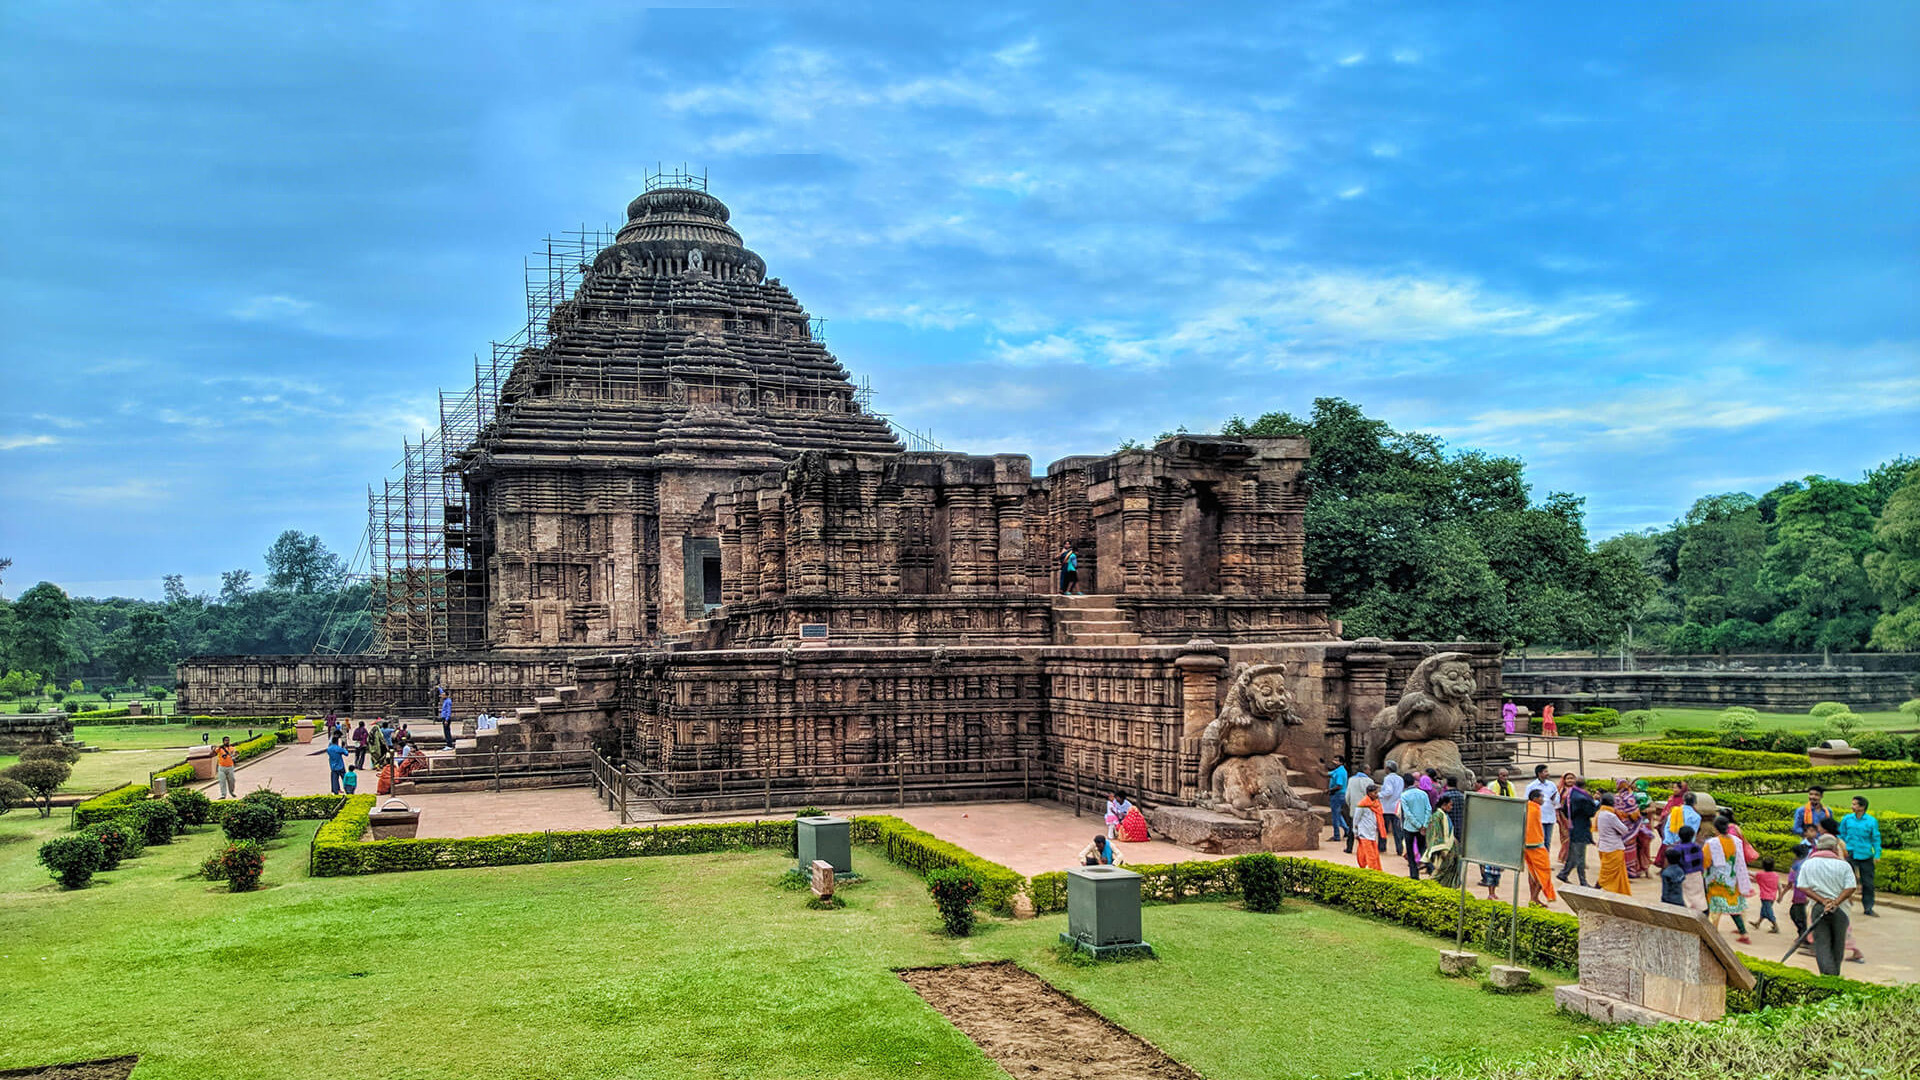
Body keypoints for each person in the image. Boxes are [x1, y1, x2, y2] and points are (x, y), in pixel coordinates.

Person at [1796, 835, 1860, 976]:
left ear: (1818, 847)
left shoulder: (1809, 864)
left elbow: (1802, 886)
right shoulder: (1844, 865)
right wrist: (1835, 902)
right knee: (1838, 946)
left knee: (1822, 945)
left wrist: (1823, 900)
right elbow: (1851, 887)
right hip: (1841, 909)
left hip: (1818, 907)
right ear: (1833, 848)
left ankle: (1827, 977)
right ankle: (1833, 977)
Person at [1701, 818, 1753, 944]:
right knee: (1733, 908)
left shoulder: (1711, 843)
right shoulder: (1736, 841)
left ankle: (1711, 935)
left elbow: (1705, 860)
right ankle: (1743, 932)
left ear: (1715, 828)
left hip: (1716, 880)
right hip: (1731, 880)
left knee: (1715, 908)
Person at [1836, 795, 1881, 917]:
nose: (1852, 806)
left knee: (1868, 883)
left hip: (1865, 854)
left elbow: (1876, 839)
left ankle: (1868, 907)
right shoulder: (1847, 819)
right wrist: (1841, 845)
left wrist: (1877, 854)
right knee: (1844, 881)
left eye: (1855, 804)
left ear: (1862, 807)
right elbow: (1840, 834)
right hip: (1849, 853)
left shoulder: (1871, 821)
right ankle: (1841, 904)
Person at [1557, 776, 1597, 887]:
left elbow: (1564, 810)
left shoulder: (1570, 794)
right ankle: (1583, 880)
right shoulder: (1584, 797)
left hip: (1573, 826)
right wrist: (1597, 802)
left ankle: (1564, 874)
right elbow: (1591, 812)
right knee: (1580, 855)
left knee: (1573, 853)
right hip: (1581, 828)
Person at [1522, 788, 1558, 906]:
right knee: (1543, 873)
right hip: (1535, 845)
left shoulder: (1527, 807)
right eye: (1541, 797)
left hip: (1526, 845)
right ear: (1535, 798)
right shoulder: (1534, 809)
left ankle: (1534, 898)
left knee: (1532, 873)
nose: (1542, 799)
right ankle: (1534, 898)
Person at [1593, 794, 1633, 896]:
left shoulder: (1599, 813)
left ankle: (1605, 887)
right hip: (1614, 848)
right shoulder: (1611, 816)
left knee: (1607, 870)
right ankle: (1601, 887)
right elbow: (1624, 830)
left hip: (1603, 847)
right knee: (1610, 874)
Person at [1665, 824, 1706, 911]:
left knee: (1686, 898)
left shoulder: (1677, 849)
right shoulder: (1697, 847)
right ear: (1692, 836)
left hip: (1684, 874)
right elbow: (1702, 860)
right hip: (1697, 874)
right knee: (1699, 897)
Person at [1424, 791, 1461, 887]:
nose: (1451, 807)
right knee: (1440, 871)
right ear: (1444, 805)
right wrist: (1441, 850)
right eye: (1450, 805)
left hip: (1451, 848)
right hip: (1444, 850)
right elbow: (1435, 835)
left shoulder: (1445, 816)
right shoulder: (1437, 817)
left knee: (1449, 870)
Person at [1398, 772, 1431, 879]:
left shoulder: (1404, 796)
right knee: (1423, 849)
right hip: (1422, 827)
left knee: (1411, 852)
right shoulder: (1423, 794)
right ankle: (1431, 870)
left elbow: (1408, 814)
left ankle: (1414, 875)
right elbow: (1428, 810)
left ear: (1405, 784)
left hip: (1409, 828)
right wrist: (1424, 825)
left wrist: (1417, 825)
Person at [1525, 765, 1559, 853]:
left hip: (1550, 816)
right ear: (1539, 773)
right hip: (1538, 817)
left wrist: (1554, 799)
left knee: (1548, 841)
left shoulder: (1551, 785)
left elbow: (1557, 801)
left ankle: (1546, 861)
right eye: (1545, 772)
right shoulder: (1531, 786)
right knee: (1540, 841)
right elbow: (1527, 802)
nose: (1548, 773)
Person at [1353, 783, 1385, 871]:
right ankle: (1373, 870)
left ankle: (1370, 868)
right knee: (1370, 855)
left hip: (1372, 832)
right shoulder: (1362, 805)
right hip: (1364, 832)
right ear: (1369, 793)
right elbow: (1356, 819)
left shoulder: (1376, 804)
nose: (1376, 794)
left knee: (1373, 853)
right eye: (1375, 793)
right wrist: (1355, 831)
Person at [1344, 766, 1373, 855]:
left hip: (1355, 808)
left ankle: (1349, 848)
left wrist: (1350, 805)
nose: (1370, 771)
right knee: (1365, 830)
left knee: (1352, 828)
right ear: (1364, 770)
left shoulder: (1351, 780)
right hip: (1366, 809)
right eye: (1368, 769)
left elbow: (1347, 796)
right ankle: (1365, 849)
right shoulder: (1369, 781)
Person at [1787, 840, 1814, 936]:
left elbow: (1790, 882)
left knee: (1797, 914)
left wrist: (1782, 894)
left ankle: (1803, 935)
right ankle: (1803, 934)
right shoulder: (1807, 863)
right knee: (1798, 913)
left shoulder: (1796, 865)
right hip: (1805, 893)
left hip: (1800, 893)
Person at [1379, 769, 1406, 856]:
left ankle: (1382, 847)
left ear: (1388, 768)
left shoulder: (1388, 778)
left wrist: (1379, 794)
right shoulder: (1400, 779)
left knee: (1383, 828)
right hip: (1396, 807)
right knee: (1397, 829)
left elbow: (1388, 791)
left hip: (1386, 807)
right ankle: (1399, 849)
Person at [1754, 856, 1782, 934]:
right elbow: (1779, 887)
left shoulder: (1760, 875)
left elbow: (1753, 876)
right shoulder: (1776, 875)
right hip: (1772, 897)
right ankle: (1758, 923)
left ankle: (1776, 926)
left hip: (1765, 897)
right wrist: (1780, 896)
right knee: (1764, 910)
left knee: (1769, 912)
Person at [1326, 759, 1350, 844]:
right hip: (1340, 795)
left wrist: (1329, 790)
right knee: (1338, 814)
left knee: (1335, 816)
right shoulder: (1339, 770)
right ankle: (1347, 829)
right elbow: (1328, 774)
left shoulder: (1340, 773)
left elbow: (1339, 786)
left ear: (1341, 763)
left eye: (1336, 761)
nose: (1333, 762)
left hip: (1337, 794)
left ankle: (1336, 835)